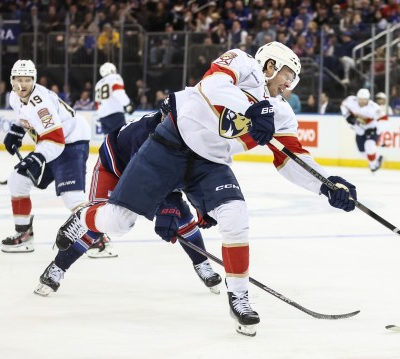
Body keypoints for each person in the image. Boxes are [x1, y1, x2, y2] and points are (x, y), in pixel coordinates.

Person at [51, 42, 356, 337]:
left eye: (293, 81)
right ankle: (83, 218)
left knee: (235, 216)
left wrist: (327, 184)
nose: (288, 85)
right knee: (118, 222)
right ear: (271, 65)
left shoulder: (281, 113)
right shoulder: (243, 63)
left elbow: (293, 158)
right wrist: (255, 108)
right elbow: (211, 87)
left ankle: (239, 299)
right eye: (287, 76)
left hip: (208, 162)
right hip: (169, 143)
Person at [35, 109, 222, 295]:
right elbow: (143, 179)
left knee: (183, 217)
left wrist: (200, 206)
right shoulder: (145, 134)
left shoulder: (187, 135)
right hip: (113, 169)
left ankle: (202, 263)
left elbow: (185, 175)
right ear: (163, 117)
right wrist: (168, 206)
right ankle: (57, 267)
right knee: (100, 221)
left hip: (145, 173)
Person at [1, 59, 90, 253]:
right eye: (17, 79)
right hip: (51, 144)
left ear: (33, 80)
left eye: (26, 80)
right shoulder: (14, 97)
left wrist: (37, 157)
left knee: (72, 197)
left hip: (71, 142)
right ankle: (24, 234)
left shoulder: (41, 105)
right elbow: (24, 116)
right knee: (17, 181)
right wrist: (16, 130)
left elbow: (56, 139)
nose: (21, 85)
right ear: (11, 80)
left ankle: (97, 239)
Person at [340, 88, 388, 172]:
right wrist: (347, 116)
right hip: (359, 130)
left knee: (369, 146)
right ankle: (376, 159)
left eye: (364, 100)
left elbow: (384, 119)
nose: (362, 102)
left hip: (371, 129)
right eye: (360, 100)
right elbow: (343, 105)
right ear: (357, 98)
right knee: (362, 152)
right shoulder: (351, 100)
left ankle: (373, 166)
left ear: (368, 99)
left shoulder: (374, 107)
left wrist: (377, 131)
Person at [94, 62, 134, 134]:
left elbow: (97, 104)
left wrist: (100, 113)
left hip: (102, 116)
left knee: (108, 140)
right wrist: (128, 104)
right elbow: (118, 92)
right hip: (114, 113)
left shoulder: (98, 84)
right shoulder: (114, 77)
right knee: (120, 137)